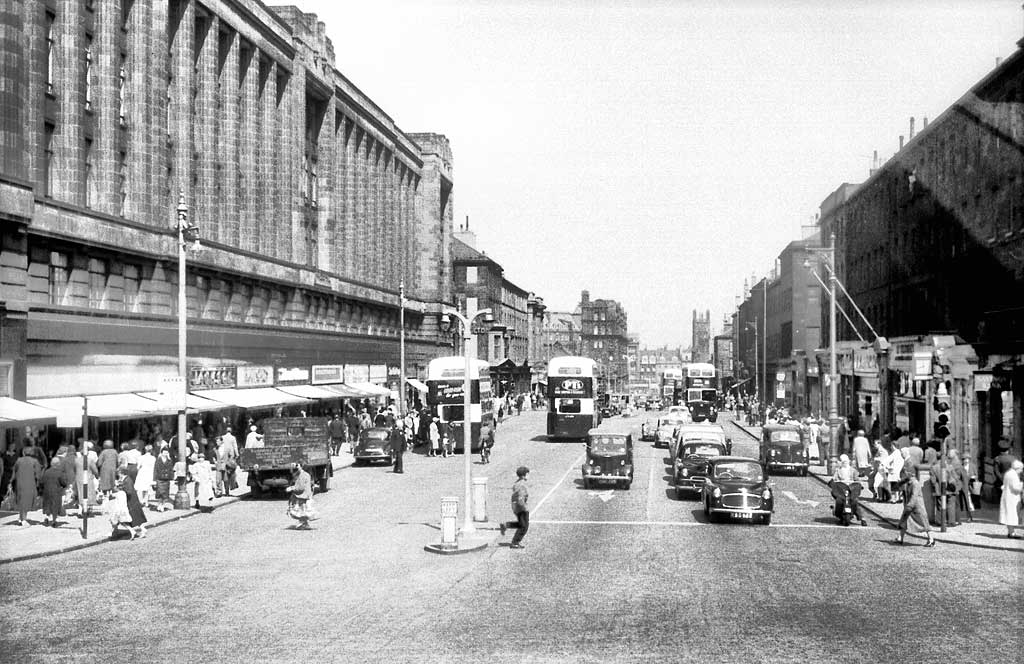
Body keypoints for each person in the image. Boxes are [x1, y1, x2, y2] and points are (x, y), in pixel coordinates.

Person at [895, 467, 935, 547]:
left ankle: (931, 539)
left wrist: (909, 506)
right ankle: (900, 538)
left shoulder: (915, 483)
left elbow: (914, 496)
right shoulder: (908, 482)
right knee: (904, 521)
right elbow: (898, 487)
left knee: (924, 523)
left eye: (904, 474)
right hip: (910, 506)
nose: (903, 475)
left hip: (917, 507)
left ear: (909, 474)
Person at [830, 454, 867, 527]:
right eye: (843, 462)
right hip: (841, 490)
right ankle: (838, 513)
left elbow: (857, 479)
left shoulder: (853, 470)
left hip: (851, 489)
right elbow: (834, 479)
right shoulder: (838, 470)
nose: (845, 463)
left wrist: (858, 484)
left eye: (846, 461)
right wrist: (833, 482)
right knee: (839, 500)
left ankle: (862, 518)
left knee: (854, 501)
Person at [499, 466, 530, 549]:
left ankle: (506, 525)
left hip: (516, 506)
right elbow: (520, 498)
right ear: (523, 475)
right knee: (524, 527)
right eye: (527, 474)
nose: (528, 475)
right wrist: (524, 508)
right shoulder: (522, 485)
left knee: (521, 524)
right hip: (521, 508)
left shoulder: (518, 483)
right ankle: (515, 543)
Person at [12, 447, 42, 526]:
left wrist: (11, 482)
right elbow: (38, 474)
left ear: (23, 453)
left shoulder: (18, 460)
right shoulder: (34, 461)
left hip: (19, 483)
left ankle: (20, 517)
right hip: (30, 483)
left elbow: (14, 472)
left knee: (21, 499)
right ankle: (23, 519)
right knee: (26, 501)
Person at [40, 457, 69, 528]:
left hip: (47, 491)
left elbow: (41, 482)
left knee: (48, 504)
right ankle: (53, 520)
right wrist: (65, 486)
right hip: (56, 491)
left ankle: (47, 517)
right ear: (58, 464)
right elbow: (63, 483)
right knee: (55, 505)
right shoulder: (60, 472)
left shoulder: (46, 472)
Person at [286, 463, 315, 529]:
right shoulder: (306, 474)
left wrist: (291, 488)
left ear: (302, 467)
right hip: (306, 495)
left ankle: (303, 524)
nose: (296, 467)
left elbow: (300, 487)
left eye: (298, 465)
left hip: (302, 495)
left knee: (301, 510)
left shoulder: (302, 475)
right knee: (303, 510)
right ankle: (305, 524)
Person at [998, 460, 1023, 539]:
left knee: (1009, 515)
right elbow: (1016, 488)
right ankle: (1012, 533)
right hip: (1012, 497)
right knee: (1012, 515)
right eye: (1021, 469)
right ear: (1017, 468)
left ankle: (1010, 532)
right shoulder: (1014, 475)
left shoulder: (1008, 473)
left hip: (1007, 496)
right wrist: (1022, 485)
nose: (1021, 471)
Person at [120, 468, 147, 538]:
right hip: (133, 501)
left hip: (131, 501)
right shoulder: (127, 479)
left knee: (131, 517)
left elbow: (129, 491)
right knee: (135, 517)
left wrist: (121, 489)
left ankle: (138, 530)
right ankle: (142, 529)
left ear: (121, 473)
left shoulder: (127, 480)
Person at [217, 432, 239, 496]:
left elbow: (231, 454)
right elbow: (235, 446)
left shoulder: (225, 445)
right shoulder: (233, 438)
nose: (217, 442)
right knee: (218, 479)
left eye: (218, 441)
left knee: (226, 479)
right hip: (219, 464)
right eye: (216, 441)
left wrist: (228, 461)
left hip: (226, 464)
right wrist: (237, 454)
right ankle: (219, 492)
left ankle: (227, 491)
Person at [153, 446, 175, 511]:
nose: (165, 453)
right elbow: (155, 470)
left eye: (166, 452)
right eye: (164, 452)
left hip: (166, 478)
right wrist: (154, 479)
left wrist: (172, 479)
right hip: (159, 478)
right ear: (161, 453)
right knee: (160, 492)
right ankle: (159, 504)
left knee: (165, 493)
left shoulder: (169, 460)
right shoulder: (158, 460)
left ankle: (162, 505)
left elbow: (171, 470)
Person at [134, 444, 156, 509]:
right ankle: (146, 502)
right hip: (150, 473)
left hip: (142, 473)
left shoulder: (141, 457)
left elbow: (138, 467)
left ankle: (142, 501)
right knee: (147, 488)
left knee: (141, 488)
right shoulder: (153, 458)